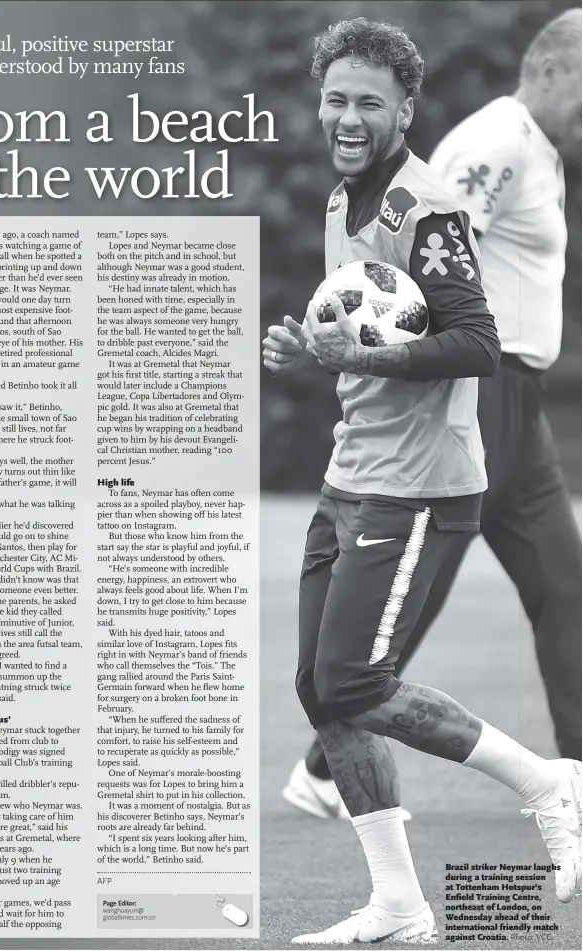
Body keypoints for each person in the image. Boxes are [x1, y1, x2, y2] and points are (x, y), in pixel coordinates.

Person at [263, 16, 581, 944]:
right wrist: (311, 350)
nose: (349, 116)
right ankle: (399, 907)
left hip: (417, 485)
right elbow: (365, 341)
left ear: (405, 107)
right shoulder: (340, 202)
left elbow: (475, 344)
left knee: (353, 680)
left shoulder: (427, 208)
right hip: (348, 471)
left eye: (370, 101)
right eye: (336, 99)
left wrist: (366, 353)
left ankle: (547, 784)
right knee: (321, 688)